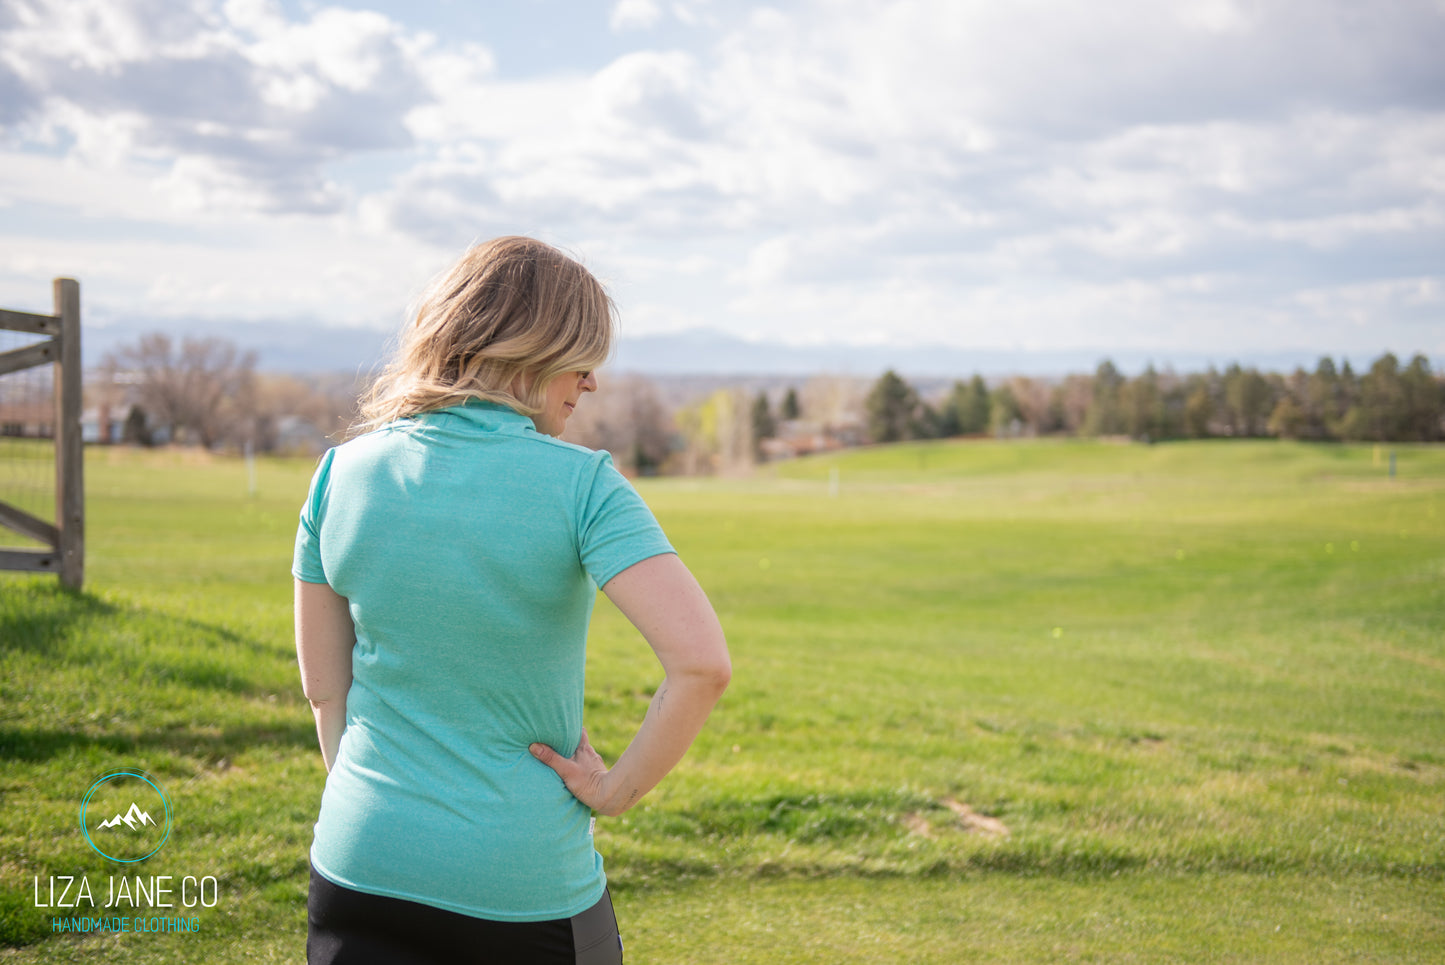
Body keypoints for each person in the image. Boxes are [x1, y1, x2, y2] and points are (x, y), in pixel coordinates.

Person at [292, 236, 731, 965]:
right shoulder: (582, 484)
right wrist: (615, 789)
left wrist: (379, 814)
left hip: (358, 862)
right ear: (527, 351)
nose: (589, 383)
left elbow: (322, 690)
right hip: (521, 882)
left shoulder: (340, 473)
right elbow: (701, 664)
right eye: (581, 358)